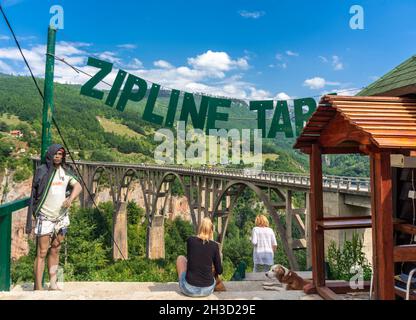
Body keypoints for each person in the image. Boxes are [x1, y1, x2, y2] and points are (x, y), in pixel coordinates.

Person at [26, 144, 82, 290]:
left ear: (63, 156)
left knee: (56, 249)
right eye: (55, 154)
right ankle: (38, 288)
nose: (58, 156)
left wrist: (70, 199)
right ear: (50, 155)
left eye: (60, 154)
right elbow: (35, 192)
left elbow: (78, 186)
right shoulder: (42, 171)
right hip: (45, 217)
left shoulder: (66, 172)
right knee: (42, 252)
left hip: (61, 219)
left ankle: (53, 284)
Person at [176, 217, 223, 297]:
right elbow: (219, 271)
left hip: (188, 289)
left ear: (200, 228)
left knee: (180, 258)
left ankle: (185, 282)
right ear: (211, 230)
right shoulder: (214, 246)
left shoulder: (190, 240)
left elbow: (191, 258)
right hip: (207, 290)